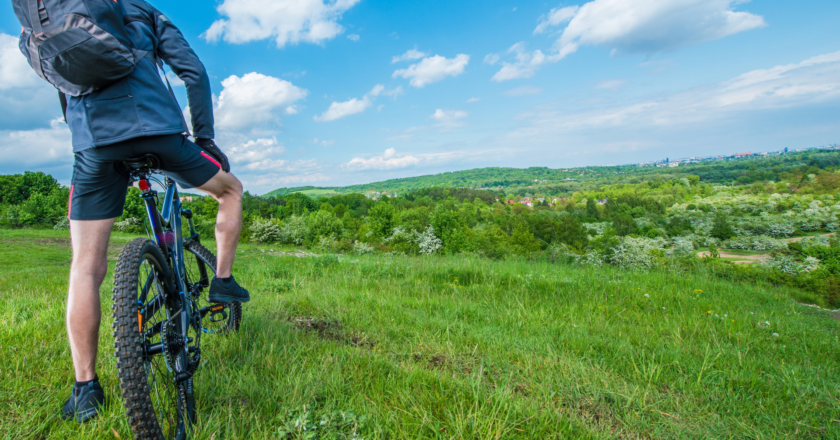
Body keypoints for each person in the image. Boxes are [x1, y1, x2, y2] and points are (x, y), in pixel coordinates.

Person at [13, 0, 250, 423]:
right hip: (160, 132)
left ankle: (85, 389)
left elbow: (65, 91)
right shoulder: (145, 11)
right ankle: (224, 283)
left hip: (94, 143)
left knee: (85, 268)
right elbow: (192, 72)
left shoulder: (47, 21)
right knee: (230, 190)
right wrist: (206, 139)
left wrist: (86, 137)